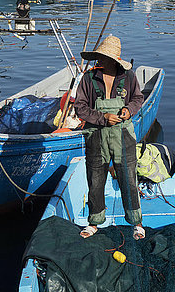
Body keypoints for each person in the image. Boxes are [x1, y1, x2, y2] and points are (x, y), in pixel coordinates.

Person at [75, 35, 145, 240]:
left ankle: (137, 223)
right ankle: (94, 222)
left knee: (128, 179)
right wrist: (103, 117)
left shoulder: (129, 77)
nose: (100, 61)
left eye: (104, 58)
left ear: (114, 60)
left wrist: (128, 111)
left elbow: (138, 98)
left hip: (123, 135)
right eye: (99, 57)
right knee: (96, 180)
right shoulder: (88, 78)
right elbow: (80, 107)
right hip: (96, 135)